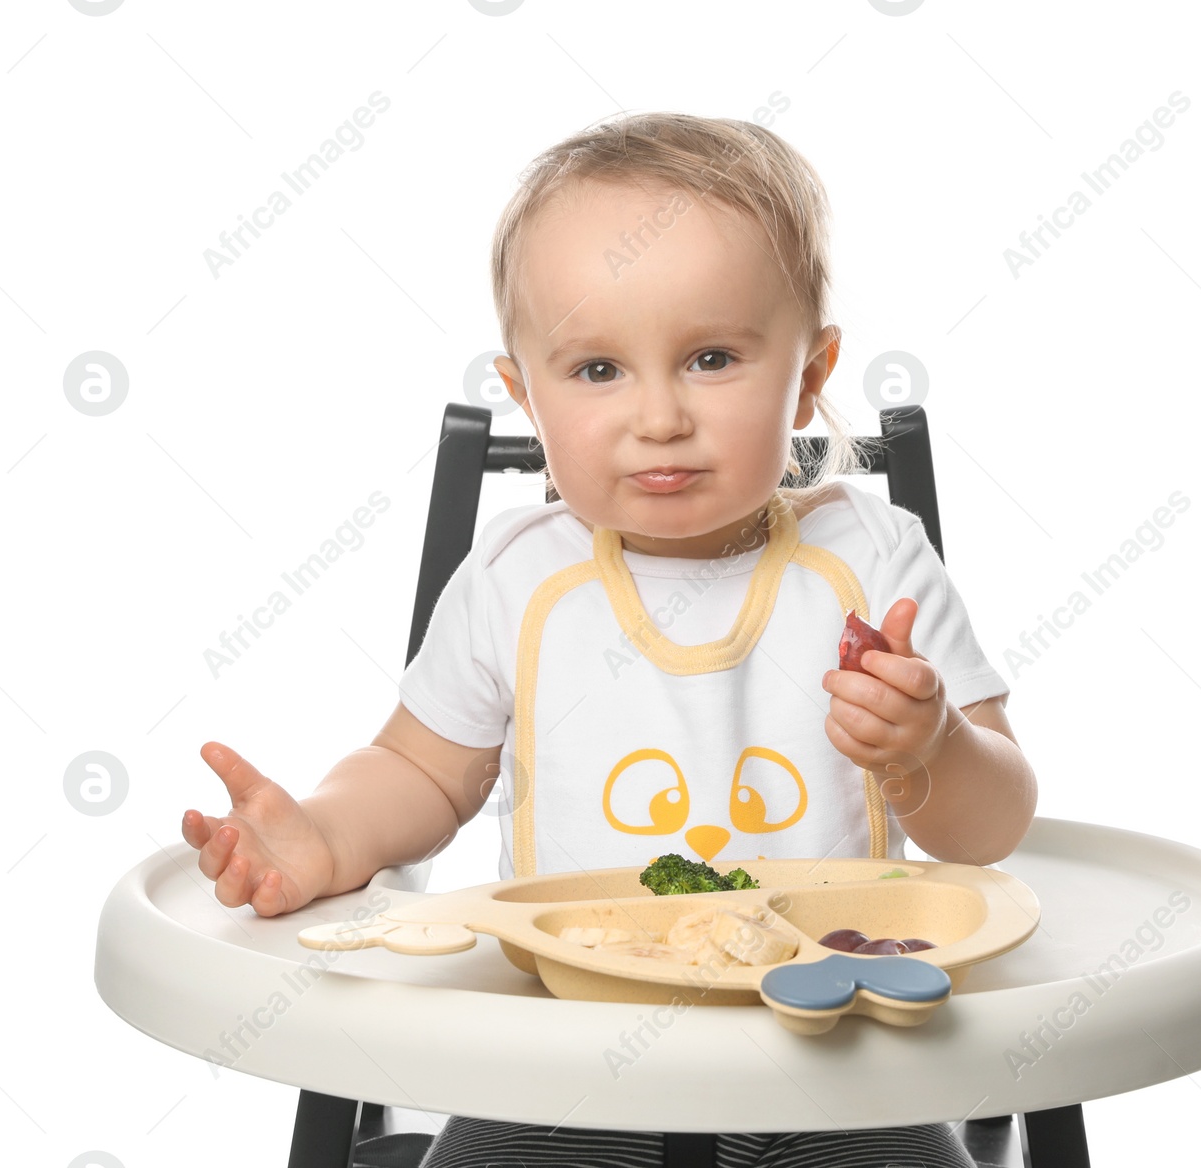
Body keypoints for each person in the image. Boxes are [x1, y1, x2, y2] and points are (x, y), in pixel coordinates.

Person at [182, 110, 1037, 1168]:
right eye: (596, 371)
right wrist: (322, 834)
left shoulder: (874, 558)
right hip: (563, 1070)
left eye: (712, 357)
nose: (659, 416)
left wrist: (928, 750)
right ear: (524, 393)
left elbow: (991, 825)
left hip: (842, 1061)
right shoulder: (518, 576)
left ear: (810, 376)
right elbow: (419, 770)